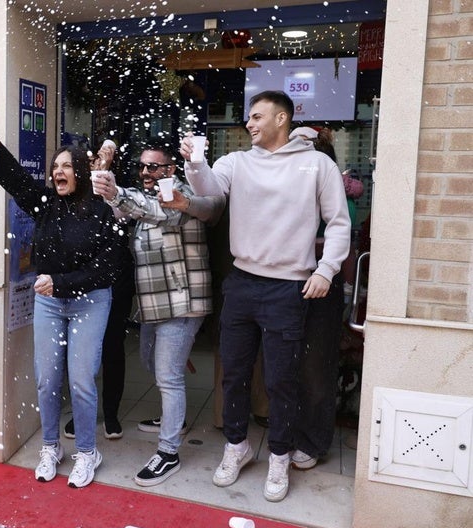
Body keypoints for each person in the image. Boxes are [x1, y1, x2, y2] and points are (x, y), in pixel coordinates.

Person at [181, 90, 351, 502]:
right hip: (241, 282)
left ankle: (278, 455)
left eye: (257, 117)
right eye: (248, 118)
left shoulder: (317, 165)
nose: (249, 124)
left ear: (281, 119)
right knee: (234, 374)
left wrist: (326, 270)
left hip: (289, 287)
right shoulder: (237, 161)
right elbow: (209, 192)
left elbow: (339, 223)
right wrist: (195, 162)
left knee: (281, 380)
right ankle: (236, 446)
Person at [0, 102, 124, 488]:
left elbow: (107, 271)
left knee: (81, 380)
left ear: (81, 173)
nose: (60, 172)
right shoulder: (45, 204)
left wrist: (60, 283)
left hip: (91, 301)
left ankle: (88, 452)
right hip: (49, 304)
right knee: (46, 379)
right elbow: (13, 178)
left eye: (67, 167)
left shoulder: (101, 211)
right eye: (56, 166)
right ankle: (51, 446)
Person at [92, 136, 224, 487]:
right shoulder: (144, 196)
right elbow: (119, 209)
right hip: (154, 304)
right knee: (151, 361)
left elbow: (157, 211)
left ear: (170, 168)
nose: (147, 172)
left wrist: (116, 192)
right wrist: (103, 185)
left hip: (183, 301)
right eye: (142, 166)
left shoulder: (179, 195)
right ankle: (175, 420)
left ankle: (168, 452)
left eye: (154, 166)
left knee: (168, 376)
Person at [287, 126, 362, 470]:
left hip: (321, 281)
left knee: (315, 365)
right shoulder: (283, 185)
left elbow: (342, 237)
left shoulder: (336, 192)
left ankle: (313, 440)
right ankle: (287, 432)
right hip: (282, 281)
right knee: (284, 363)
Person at [64, 140, 135, 440]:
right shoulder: (71, 197)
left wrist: (108, 191)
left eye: (102, 161)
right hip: (82, 282)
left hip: (116, 278)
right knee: (83, 351)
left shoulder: (118, 193)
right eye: (91, 162)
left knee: (112, 347)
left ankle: (112, 414)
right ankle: (82, 414)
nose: (97, 166)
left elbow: (124, 220)